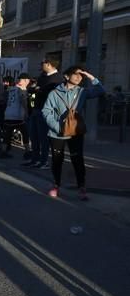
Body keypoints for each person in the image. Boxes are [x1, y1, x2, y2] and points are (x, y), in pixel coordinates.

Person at [42, 66, 104, 200]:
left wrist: (90, 76)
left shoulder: (82, 91)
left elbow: (100, 90)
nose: (78, 77)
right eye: (75, 74)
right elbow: (46, 111)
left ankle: (81, 187)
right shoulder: (55, 93)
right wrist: (57, 127)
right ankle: (56, 185)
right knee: (57, 160)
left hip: (75, 131)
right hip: (57, 133)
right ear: (66, 76)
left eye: (81, 75)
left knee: (78, 159)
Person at [27, 59, 64, 168]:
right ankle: (35, 159)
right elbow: (32, 90)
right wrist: (36, 89)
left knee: (43, 137)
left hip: (46, 111)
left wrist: (39, 90)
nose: (41, 65)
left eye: (42, 63)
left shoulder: (58, 78)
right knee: (34, 136)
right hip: (36, 109)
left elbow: (53, 95)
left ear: (49, 64)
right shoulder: (42, 76)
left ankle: (44, 161)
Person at [0, 73, 30, 158]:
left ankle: (3, 151)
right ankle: (27, 151)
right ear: (25, 80)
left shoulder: (12, 88)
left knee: (7, 134)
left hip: (8, 113)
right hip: (17, 114)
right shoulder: (22, 88)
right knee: (25, 132)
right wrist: (26, 112)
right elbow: (23, 100)